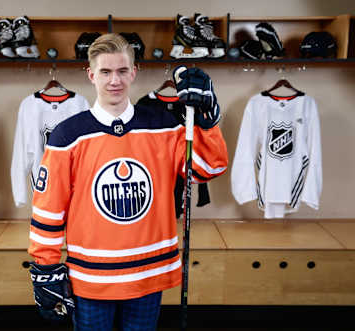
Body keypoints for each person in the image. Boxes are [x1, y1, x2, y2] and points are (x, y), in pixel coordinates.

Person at [27, 33, 228, 330]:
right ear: (91, 74)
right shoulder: (67, 136)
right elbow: (49, 209)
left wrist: (207, 120)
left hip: (148, 272)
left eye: (122, 71)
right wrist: (44, 266)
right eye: (105, 72)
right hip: (92, 277)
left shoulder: (163, 126)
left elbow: (207, 168)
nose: (114, 80)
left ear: (134, 72)